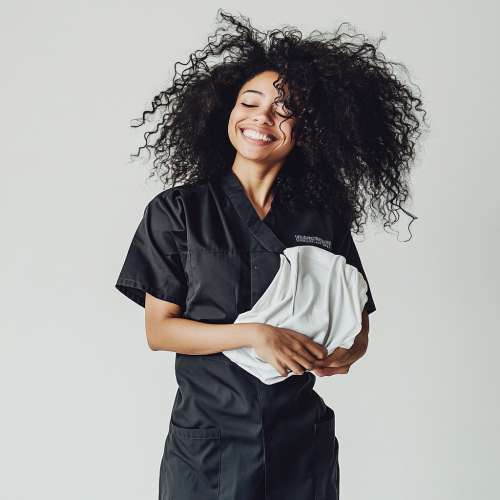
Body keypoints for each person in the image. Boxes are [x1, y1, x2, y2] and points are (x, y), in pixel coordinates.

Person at [115, 10, 425, 500]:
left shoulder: (322, 222)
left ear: (308, 131)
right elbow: (160, 330)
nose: (262, 117)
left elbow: (358, 327)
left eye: (283, 110)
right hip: (207, 448)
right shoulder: (178, 211)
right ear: (227, 112)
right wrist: (256, 335)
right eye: (250, 102)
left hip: (301, 444)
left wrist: (344, 354)